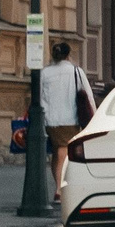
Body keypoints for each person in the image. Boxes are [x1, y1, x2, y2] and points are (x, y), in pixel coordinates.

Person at [37, 39, 97, 207]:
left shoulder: (44, 73)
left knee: (58, 153)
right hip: (70, 118)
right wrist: (94, 116)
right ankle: (59, 190)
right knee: (63, 152)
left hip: (50, 120)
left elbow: (39, 97)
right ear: (69, 55)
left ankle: (59, 186)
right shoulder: (76, 71)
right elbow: (88, 95)